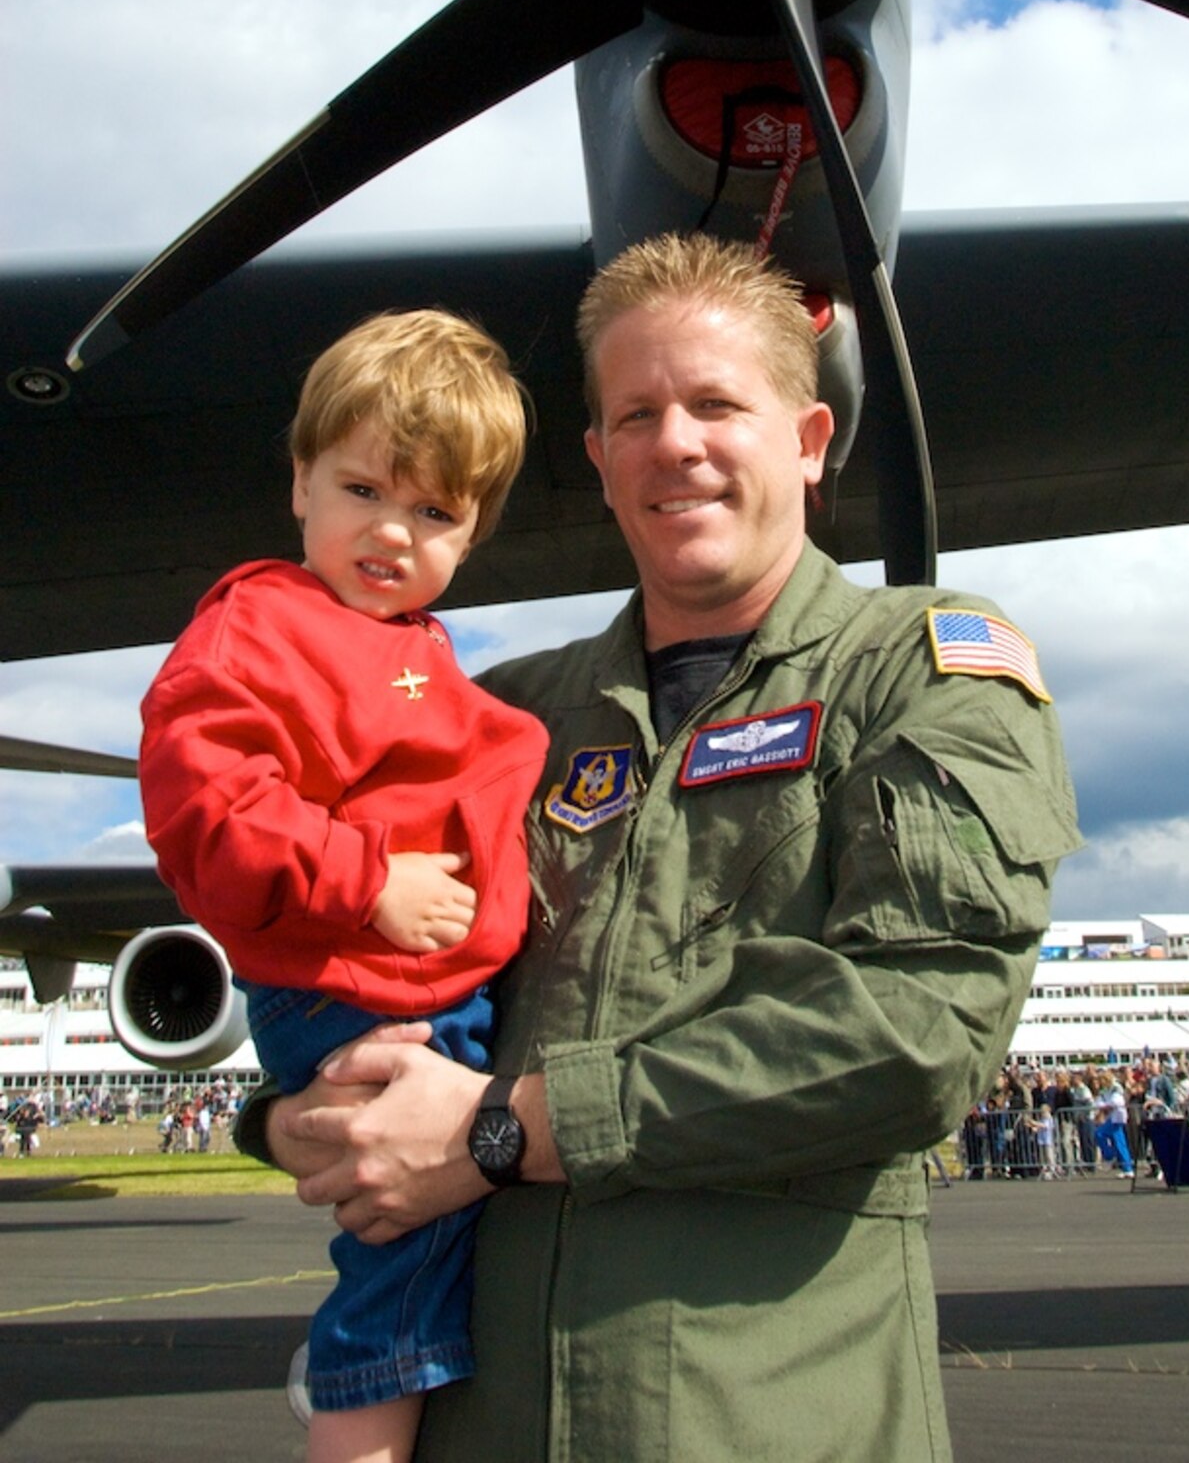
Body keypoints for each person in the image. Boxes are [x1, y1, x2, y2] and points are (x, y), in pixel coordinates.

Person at [252, 234, 1082, 1461]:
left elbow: (918, 1032)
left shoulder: (919, 667)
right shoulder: (500, 717)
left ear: (809, 440)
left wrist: (505, 1131)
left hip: (760, 1422)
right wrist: (292, 1118)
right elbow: (362, 967)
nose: (675, 442)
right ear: (599, 460)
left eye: (716, 404)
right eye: (635, 413)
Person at [139, 309, 550, 1463]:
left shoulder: (408, 644)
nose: (391, 530)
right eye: (363, 488)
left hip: (409, 988)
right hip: (358, 989)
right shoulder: (263, 625)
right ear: (300, 482)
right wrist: (369, 879)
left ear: (472, 533)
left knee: (436, 1250)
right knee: (404, 1265)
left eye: (434, 513)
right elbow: (206, 804)